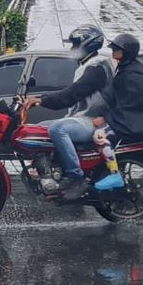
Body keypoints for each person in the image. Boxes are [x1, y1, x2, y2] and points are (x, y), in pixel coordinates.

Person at [23, 24, 114, 199]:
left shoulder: (97, 67)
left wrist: (41, 100)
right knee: (40, 128)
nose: (72, 48)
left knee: (58, 129)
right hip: (80, 118)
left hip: (93, 120)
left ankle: (74, 174)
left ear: (88, 44)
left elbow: (72, 94)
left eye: (75, 44)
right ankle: (50, 170)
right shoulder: (87, 65)